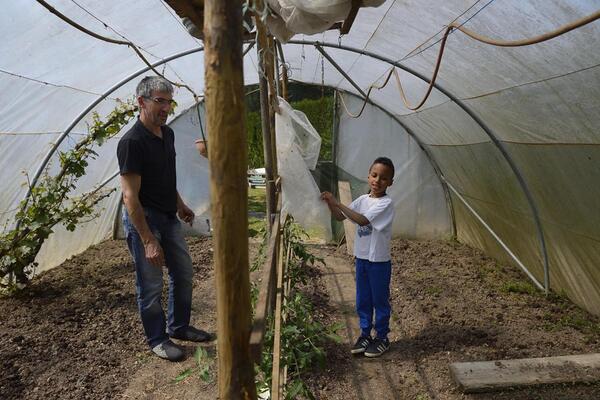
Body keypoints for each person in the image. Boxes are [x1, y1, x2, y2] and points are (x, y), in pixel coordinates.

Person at [117, 76, 211, 362]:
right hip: (144, 220)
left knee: (183, 273)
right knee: (151, 284)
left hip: (168, 216)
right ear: (141, 102)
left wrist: (180, 205)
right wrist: (147, 240)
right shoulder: (132, 142)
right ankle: (158, 339)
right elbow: (130, 197)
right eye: (160, 101)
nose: (166, 108)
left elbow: (166, 178)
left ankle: (179, 326)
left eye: (169, 102)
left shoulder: (166, 134)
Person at [321, 157, 395, 358]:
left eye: (383, 178)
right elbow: (340, 217)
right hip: (362, 258)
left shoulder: (386, 203)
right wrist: (330, 203)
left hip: (379, 261)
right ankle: (364, 335)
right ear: (368, 175)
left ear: (390, 182)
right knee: (363, 299)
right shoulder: (362, 200)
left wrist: (339, 203)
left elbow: (362, 220)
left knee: (379, 300)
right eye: (374, 175)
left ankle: (381, 337)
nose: (377, 181)